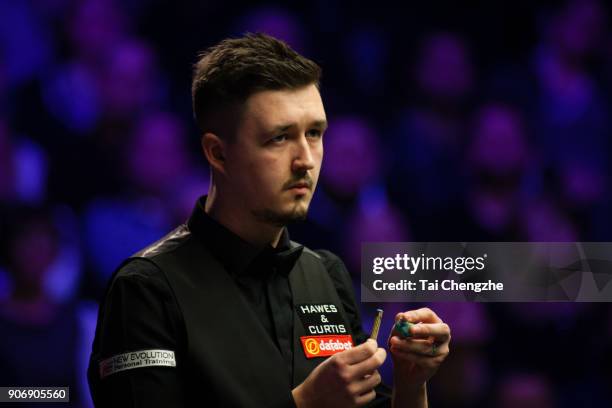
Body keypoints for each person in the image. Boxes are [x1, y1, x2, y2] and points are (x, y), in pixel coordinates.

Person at [87, 33, 451, 407]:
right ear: (218, 153)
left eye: (314, 133)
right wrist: (304, 404)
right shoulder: (146, 290)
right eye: (279, 138)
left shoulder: (327, 274)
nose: (306, 159)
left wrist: (411, 384)